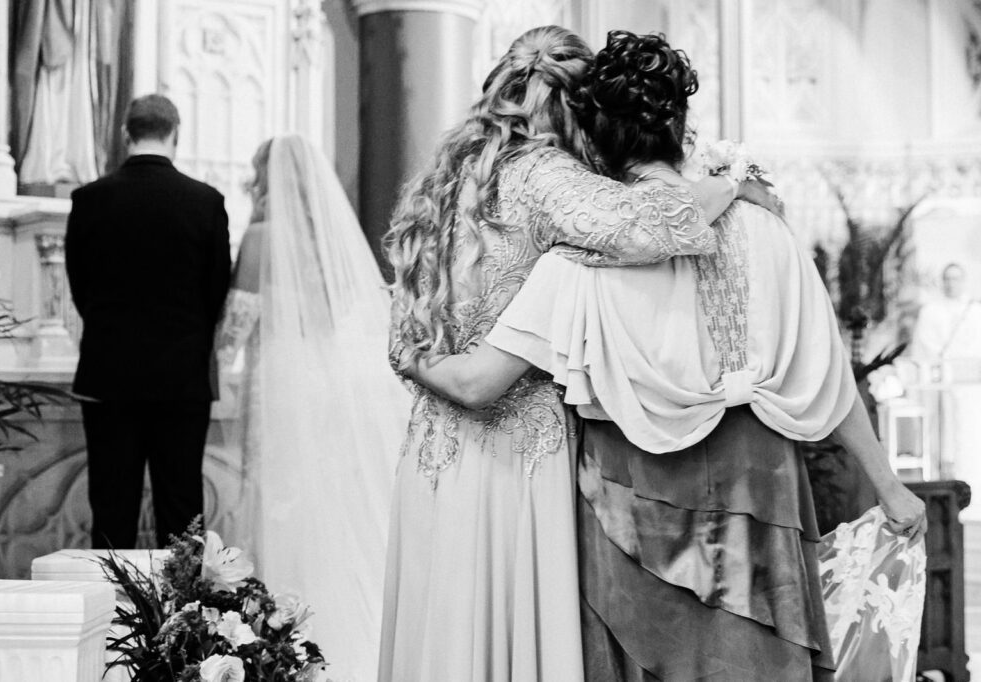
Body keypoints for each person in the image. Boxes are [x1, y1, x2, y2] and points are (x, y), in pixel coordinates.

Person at [405, 31, 926, 681]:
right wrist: (889, 485)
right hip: (760, 495)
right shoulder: (764, 228)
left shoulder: (578, 262)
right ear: (681, 123)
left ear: (593, 139)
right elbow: (828, 373)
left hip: (633, 508)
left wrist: (408, 352)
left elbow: (481, 379)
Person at [380, 26, 781, 682]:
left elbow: (403, 341)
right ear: (577, 108)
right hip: (514, 457)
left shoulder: (449, 175)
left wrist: (449, 374)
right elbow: (646, 224)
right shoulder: (545, 174)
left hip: (432, 451)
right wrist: (731, 186)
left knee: (445, 638)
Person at [214, 134, 409, 682]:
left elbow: (239, 320)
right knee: (320, 496)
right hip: (321, 379)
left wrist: (216, 357)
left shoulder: (261, 236)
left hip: (277, 377)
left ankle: (278, 633)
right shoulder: (327, 239)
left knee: (275, 496)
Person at [66, 94, 231, 549]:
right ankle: (181, 617)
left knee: (111, 509)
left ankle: (110, 614)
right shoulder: (206, 202)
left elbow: (79, 286)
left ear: (126, 134)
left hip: (107, 375)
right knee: (181, 512)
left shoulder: (89, 200)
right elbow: (216, 291)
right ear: (175, 134)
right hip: (181, 378)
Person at [912, 262, 981, 506]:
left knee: (970, 435)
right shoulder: (931, 311)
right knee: (942, 436)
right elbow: (925, 346)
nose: (952, 283)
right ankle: (943, 485)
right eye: (948, 278)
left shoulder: (974, 311)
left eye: (956, 278)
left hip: (970, 388)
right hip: (939, 387)